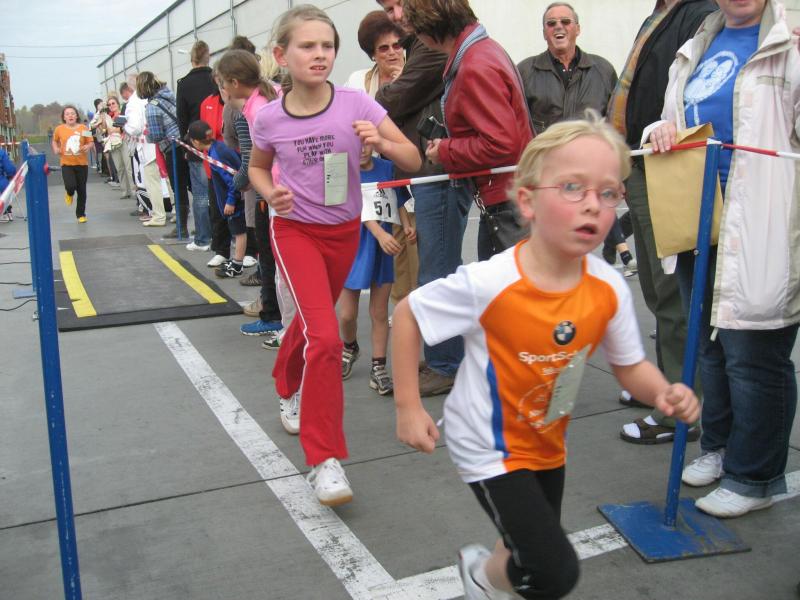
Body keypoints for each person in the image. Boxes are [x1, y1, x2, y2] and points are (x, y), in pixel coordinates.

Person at [392, 113, 700, 600]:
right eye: (573, 187)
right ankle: (488, 579)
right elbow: (409, 314)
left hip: (547, 439)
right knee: (556, 573)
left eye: (608, 192)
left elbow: (629, 366)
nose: (593, 205)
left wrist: (664, 391)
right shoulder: (492, 282)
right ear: (528, 200)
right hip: (489, 445)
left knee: (526, 551)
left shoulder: (608, 288)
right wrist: (409, 407)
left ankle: (483, 576)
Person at [247, 4, 421, 506]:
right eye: (308, 46)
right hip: (295, 232)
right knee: (325, 336)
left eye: (327, 45)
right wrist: (270, 193)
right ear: (282, 55)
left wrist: (381, 141)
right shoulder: (270, 118)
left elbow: (412, 158)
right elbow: (257, 169)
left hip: (344, 231)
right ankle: (324, 459)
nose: (319, 54)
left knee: (311, 324)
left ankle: (287, 384)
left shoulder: (356, 103)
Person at [646, 0, 800, 518]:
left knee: (753, 351)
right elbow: (672, 120)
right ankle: (719, 447)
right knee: (708, 347)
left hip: (760, 223)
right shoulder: (696, 47)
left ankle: (755, 477)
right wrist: (659, 131)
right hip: (699, 217)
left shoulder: (787, 46)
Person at [608, 0, 716, 445]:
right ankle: (665, 386)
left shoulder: (699, 11)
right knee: (656, 289)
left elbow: (689, 92)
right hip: (642, 160)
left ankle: (678, 410)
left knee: (672, 292)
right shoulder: (663, 12)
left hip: (666, 162)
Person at [375, 0, 469, 398]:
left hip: (439, 172)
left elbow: (393, 99)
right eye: (388, 9)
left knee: (438, 271)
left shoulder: (430, 48)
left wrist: (381, 94)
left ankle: (446, 363)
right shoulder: (422, 46)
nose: (397, 15)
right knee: (434, 269)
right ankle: (445, 357)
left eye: (399, 4)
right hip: (429, 170)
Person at [403, 0, 534, 262]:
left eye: (415, 31)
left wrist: (445, 150)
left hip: (507, 200)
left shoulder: (474, 65)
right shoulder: (485, 49)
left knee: (513, 282)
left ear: (428, 29)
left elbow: (500, 144)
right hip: (513, 192)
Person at [346, 10, 419, 324]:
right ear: (372, 53)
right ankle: (396, 307)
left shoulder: (415, 74)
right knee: (387, 241)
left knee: (413, 241)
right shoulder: (359, 81)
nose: (392, 52)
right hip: (374, 173)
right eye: (383, 48)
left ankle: (412, 305)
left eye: (396, 45)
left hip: (409, 170)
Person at [215, 48, 284, 337]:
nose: (220, 89)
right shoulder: (271, 95)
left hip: (276, 193)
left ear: (233, 82)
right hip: (280, 189)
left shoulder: (255, 110)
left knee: (273, 260)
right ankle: (282, 320)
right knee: (277, 261)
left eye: (221, 83)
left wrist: (240, 183)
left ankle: (278, 320)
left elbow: (256, 160)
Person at [339, 145, 415, 395]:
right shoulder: (342, 169)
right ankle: (350, 346)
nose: (361, 149)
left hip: (383, 248)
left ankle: (378, 367)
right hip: (353, 246)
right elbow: (353, 207)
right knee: (347, 314)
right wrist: (379, 233)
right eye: (355, 142)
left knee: (380, 312)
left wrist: (406, 225)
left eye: (366, 143)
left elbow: (398, 198)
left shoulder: (387, 168)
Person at [517, 2, 617, 135]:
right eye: (551, 23)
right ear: (544, 33)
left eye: (565, 21)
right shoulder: (525, 71)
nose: (558, 26)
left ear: (578, 29)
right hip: (545, 149)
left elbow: (617, 122)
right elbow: (515, 123)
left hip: (589, 148)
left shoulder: (604, 70)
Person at [187, 120, 247, 278]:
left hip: (234, 199)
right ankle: (237, 259)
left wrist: (230, 201)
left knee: (239, 232)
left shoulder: (216, 154)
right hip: (235, 196)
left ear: (196, 142)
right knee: (237, 230)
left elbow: (232, 180)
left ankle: (237, 264)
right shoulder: (218, 147)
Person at [138, 71, 190, 239]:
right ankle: (203, 226)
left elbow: (156, 135)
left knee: (178, 188)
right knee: (193, 186)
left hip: (172, 148)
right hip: (185, 143)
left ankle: (181, 228)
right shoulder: (169, 95)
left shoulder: (152, 107)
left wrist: (147, 134)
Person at [178, 41, 216, 250]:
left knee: (201, 194)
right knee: (220, 193)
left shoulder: (184, 84)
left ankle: (203, 238)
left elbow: (182, 120)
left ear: (192, 59)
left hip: (196, 145)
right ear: (208, 57)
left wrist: (187, 146)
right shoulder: (216, 80)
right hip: (218, 142)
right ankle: (225, 237)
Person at [51, 106, 94, 223]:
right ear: (64, 117)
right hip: (67, 164)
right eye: (67, 114)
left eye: (72, 113)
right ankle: (69, 193)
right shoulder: (59, 129)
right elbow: (54, 141)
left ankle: (81, 214)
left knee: (81, 190)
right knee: (70, 186)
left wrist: (88, 146)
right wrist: (56, 148)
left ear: (76, 116)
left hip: (81, 164)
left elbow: (91, 141)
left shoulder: (83, 128)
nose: (70, 115)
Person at [104, 96, 134, 200]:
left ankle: (134, 190)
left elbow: (123, 128)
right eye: (109, 104)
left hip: (124, 141)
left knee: (128, 166)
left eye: (113, 103)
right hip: (114, 143)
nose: (111, 106)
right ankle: (125, 190)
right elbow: (106, 130)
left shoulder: (122, 114)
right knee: (119, 168)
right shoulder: (108, 117)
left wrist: (114, 130)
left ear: (117, 104)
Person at [0, 146, 17, 221]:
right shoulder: (1, 153)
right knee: (4, 184)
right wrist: (9, 176)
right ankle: (6, 211)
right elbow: (10, 170)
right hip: (2, 184)